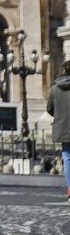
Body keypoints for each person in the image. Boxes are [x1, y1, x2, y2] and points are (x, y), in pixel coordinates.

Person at [46, 59, 70, 201]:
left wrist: (60, 116)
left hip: (63, 128)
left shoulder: (54, 88)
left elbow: (49, 108)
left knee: (67, 159)